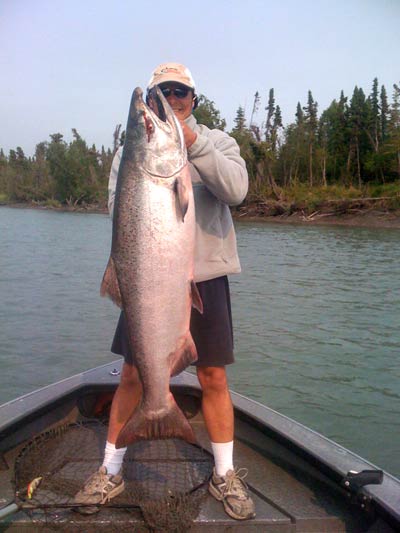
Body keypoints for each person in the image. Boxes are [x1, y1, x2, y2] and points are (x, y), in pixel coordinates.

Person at [75, 62, 255, 521]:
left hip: (206, 279)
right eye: (161, 92)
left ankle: (225, 474)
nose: (170, 99)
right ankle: (111, 469)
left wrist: (192, 144)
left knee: (213, 378)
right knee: (133, 376)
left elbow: (236, 191)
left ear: (193, 98)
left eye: (179, 92)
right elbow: (119, 210)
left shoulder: (218, 142)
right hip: (147, 279)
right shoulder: (133, 149)